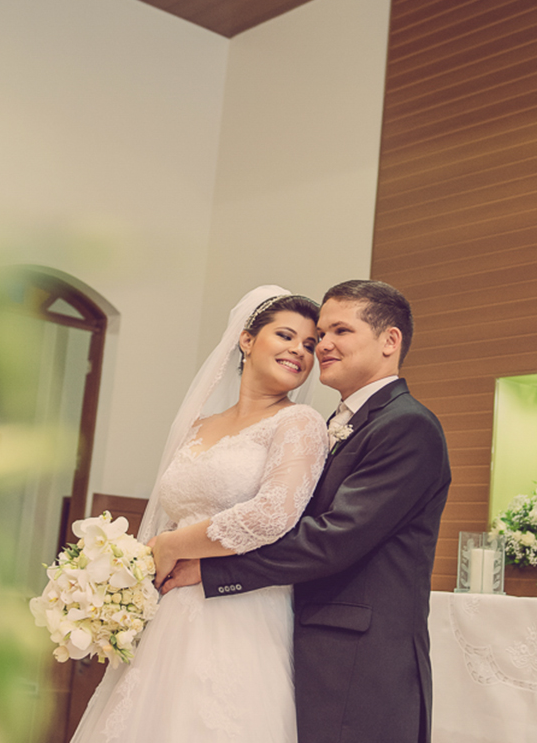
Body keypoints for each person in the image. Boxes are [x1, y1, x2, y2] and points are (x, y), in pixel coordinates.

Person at [158, 279, 453, 743]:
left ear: (389, 341)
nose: (323, 346)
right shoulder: (339, 423)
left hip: (361, 663)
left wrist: (210, 571)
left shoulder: (408, 426)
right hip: (295, 640)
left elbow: (332, 538)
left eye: (338, 332)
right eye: (322, 335)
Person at [69, 286, 328, 742]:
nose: (299, 351)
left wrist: (168, 547)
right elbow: (170, 513)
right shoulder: (198, 427)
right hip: (171, 614)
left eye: (309, 344)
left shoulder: (298, 423)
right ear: (246, 340)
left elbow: (272, 516)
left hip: (242, 611)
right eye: (285, 335)